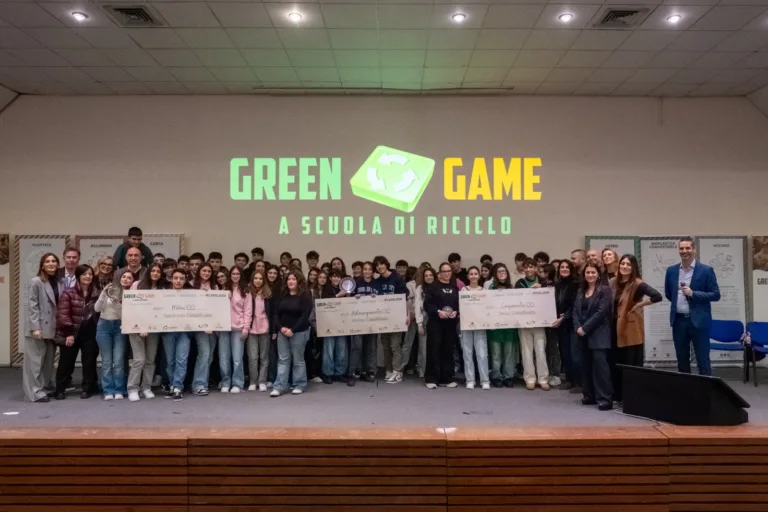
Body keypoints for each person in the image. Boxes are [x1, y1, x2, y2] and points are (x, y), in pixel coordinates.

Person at [664, 236, 720, 376]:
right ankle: (686, 389)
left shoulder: (706, 270)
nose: (684, 251)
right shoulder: (671, 271)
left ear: (694, 249)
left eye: (687, 248)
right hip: (678, 321)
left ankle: (705, 389)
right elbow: (669, 294)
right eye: (681, 248)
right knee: (682, 360)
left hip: (699, 321)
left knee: (703, 360)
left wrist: (693, 294)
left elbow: (715, 295)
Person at [611, 254, 662, 402]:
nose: (625, 267)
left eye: (628, 264)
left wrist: (640, 304)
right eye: (622, 264)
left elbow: (657, 296)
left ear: (633, 267)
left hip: (630, 329)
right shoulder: (613, 282)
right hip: (614, 328)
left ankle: (632, 397)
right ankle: (618, 396)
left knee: (630, 363)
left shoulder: (637, 283)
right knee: (616, 362)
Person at [54, 263, 100, 400]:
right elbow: (63, 314)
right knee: (66, 362)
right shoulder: (68, 292)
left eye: (90, 274)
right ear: (78, 276)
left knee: (89, 362)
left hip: (91, 332)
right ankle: (60, 389)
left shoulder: (97, 293)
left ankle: (88, 388)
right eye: (84, 274)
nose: (88, 276)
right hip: (71, 332)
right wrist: (69, 333)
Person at [573, 263, 613, 411]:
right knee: (586, 365)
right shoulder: (580, 291)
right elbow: (575, 311)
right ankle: (589, 395)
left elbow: (601, 312)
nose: (590, 275)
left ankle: (605, 399)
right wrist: (578, 327)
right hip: (582, 334)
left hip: (599, 333)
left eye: (593, 272)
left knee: (600, 367)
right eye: (587, 272)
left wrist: (585, 328)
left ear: (598, 274)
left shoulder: (605, 290)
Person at [23, 253, 60, 403]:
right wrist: (35, 328)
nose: (51, 264)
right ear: (42, 265)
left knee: (48, 362)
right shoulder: (36, 281)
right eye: (47, 261)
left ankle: (45, 388)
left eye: (54, 261)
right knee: (35, 363)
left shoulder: (58, 282)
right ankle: (34, 392)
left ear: (57, 264)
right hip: (38, 328)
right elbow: (32, 306)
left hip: (52, 328)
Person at [271, 271, 313, 397]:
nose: (290, 281)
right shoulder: (283, 295)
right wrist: (281, 328)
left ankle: (299, 385)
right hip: (283, 332)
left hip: (299, 332)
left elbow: (305, 316)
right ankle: (279, 386)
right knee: (283, 359)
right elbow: (276, 314)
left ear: (299, 281)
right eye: (289, 279)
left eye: (294, 279)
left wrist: (292, 330)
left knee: (298, 359)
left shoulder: (305, 296)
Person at [126, 264, 163, 401]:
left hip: (154, 328)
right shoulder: (137, 285)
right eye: (153, 271)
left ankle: (146, 387)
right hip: (136, 328)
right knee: (139, 359)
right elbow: (131, 306)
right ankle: (132, 388)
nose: (155, 273)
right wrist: (141, 325)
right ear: (148, 272)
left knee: (150, 360)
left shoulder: (162, 289)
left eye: (158, 271)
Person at [94, 270, 134, 400]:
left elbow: (125, 316)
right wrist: (103, 293)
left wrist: (117, 303)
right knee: (106, 361)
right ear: (119, 278)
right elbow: (97, 309)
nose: (126, 279)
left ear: (132, 281)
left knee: (118, 361)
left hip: (119, 327)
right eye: (124, 276)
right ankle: (107, 390)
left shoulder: (131, 295)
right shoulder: (110, 289)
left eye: (129, 278)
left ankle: (119, 389)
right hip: (104, 326)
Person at [515, 258, 550, 391]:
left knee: (541, 351)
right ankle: (530, 379)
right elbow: (516, 301)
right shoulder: (519, 283)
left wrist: (541, 289)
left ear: (536, 268)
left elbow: (548, 299)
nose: (529, 269)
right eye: (526, 267)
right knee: (526, 351)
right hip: (524, 322)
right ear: (523, 269)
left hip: (539, 322)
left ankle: (543, 379)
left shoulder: (543, 282)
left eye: (531, 267)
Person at [424, 262, 459, 389]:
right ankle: (432, 378)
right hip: (435, 323)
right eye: (444, 271)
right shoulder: (432, 287)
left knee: (448, 350)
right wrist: (438, 312)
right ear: (439, 273)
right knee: (434, 349)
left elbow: (458, 304)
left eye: (449, 271)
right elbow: (427, 304)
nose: (447, 273)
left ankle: (447, 378)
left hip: (450, 324)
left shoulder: (455, 288)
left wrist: (456, 311)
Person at [374, 255, 409, 384]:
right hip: (383, 317)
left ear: (386, 264)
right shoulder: (377, 281)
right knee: (385, 346)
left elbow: (405, 297)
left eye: (381, 264)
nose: (380, 267)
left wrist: (407, 314)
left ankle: (397, 371)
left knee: (395, 345)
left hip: (396, 316)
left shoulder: (397, 278)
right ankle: (388, 370)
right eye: (377, 265)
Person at [218, 265, 250, 394]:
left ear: (241, 276)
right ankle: (226, 382)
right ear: (229, 275)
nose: (235, 276)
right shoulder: (223, 289)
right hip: (224, 327)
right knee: (223, 357)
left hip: (238, 327)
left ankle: (237, 383)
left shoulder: (245, 291)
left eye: (237, 274)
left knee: (237, 358)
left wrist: (246, 328)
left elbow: (248, 311)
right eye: (233, 274)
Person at [487, 264, 519, 388]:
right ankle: (496, 376)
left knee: (509, 352)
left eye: (503, 271)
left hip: (509, 326)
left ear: (507, 273)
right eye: (499, 271)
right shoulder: (491, 288)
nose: (501, 273)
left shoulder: (512, 288)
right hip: (495, 326)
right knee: (496, 353)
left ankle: (508, 376)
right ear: (495, 274)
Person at [163, 269, 193, 401]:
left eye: (181, 278)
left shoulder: (192, 295)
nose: (178, 281)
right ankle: (171, 385)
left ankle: (177, 387)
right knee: (170, 361)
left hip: (184, 332)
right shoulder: (163, 295)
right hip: (168, 331)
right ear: (171, 279)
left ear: (185, 280)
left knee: (181, 360)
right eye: (176, 278)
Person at [460, 266, 490, 390]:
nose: (473, 276)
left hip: (480, 325)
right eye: (471, 274)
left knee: (482, 354)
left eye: (475, 274)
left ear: (479, 276)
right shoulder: (463, 290)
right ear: (468, 276)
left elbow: (487, 308)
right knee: (467, 353)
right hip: (466, 325)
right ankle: (470, 380)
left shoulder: (484, 290)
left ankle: (485, 380)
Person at [553, 260, 581, 393]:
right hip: (561, 324)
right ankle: (569, 380)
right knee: (565, 353)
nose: (564, 269)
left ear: (571, 269)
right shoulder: (557, 284)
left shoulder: (577, 284)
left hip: (573, 323)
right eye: (562, 267)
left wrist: (564, 316)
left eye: (567, 267)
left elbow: (576, 304)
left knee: (575, 354)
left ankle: (579, 382)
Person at [350, 261, 379, 385]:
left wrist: (376, 298)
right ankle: (353, 372)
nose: (367, 271)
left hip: (373, 319)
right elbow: (348, 300)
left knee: (371, 346)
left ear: (373, 271)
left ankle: (369, 371)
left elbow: (383, 301)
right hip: (358, 319)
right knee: (357, 346)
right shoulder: (356, 283)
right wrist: (354, 297)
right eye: (365, 269)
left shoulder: (377, 283)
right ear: (362, 271)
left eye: (369, 269)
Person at [191, 263, 217, 396]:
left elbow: (218, 306)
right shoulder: (192, 285)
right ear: (199, 271)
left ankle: (204, 384)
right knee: (204, 353)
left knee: (209, 356)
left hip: (213, 326)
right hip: (199, 326)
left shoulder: (215, 286)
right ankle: (198, 385)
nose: (206, 273)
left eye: (209, 271)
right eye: (204, 270)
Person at [320, 270, 350, 384]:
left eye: (338, 277)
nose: (336, 279)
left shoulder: (346, 288)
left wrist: (350, 296)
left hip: (342, 322)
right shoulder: (327, 288)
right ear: (330, 278)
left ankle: (339, 373)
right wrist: (338, 295)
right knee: (328, 350)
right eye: (334, 277)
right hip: (329, 323)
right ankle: (328, 374)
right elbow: (325, 304)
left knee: (341, 349)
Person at [248, 270, 273, 392]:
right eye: (256, 278)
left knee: (264, 357)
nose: (258, 281)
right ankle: (253, 381)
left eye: (260, 278)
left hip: (265, 328)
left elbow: (271, 312)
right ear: (252, 280)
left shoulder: (268, 294)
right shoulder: (248, 293)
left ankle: (262, 381)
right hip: (251, 329)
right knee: (253, 357)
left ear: (264, 280)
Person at [414, 266, 435, 379]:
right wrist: (419, 323)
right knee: (423, 347)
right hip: (424, 318)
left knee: (435, 346)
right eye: (426, 275)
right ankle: (422, 369)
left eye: (431, 275)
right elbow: (417, 306)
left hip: (436, 319)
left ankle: (434, 370)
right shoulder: (420, 289)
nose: (428, 277)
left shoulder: (438, 287)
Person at [400, 266, 420, 376]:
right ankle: (401, 368)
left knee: (422, 345)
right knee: (408, 344)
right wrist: (411, 314)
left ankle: (421, 368)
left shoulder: (425, 285)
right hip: (412, 317)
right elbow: (408, 301)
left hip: (422, 317)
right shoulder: (409, 285)